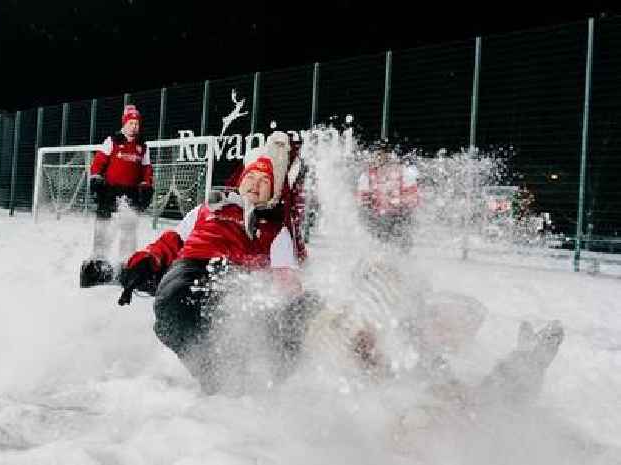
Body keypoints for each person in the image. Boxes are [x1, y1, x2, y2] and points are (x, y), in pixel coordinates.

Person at [118, 131, 317, 393]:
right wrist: (147, 259)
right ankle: (216, 377)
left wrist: (297, 312)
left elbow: (285, 282)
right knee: (173, 305)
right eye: (252, 177)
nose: (255, 184)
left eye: (264, 180)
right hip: (190, 268)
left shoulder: (274, 230)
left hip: (234, 279)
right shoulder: (207, 210)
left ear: (274, 190)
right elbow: (173, 240)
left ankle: (239, 381)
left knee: (240, 321)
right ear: (241, 179)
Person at [80, 104, 154, 288]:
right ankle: (98, 264)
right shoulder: (112, 141)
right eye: (131, 122)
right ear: (125, 123)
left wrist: (146, 185)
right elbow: (98, 163)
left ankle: (125, 264)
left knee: (128, 229)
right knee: (103, 227)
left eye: (137, 123)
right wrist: (96, 178)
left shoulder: (142, 146)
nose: (134, 126)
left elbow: (147, 170)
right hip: (110, 191)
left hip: (130, 193)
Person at [356, 145, 419, 251]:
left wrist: (400, 208)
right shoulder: (367, 176)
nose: (379, 158)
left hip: (399, 219)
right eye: (377, 154)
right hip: (377, 220)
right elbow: (362, 201)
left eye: (383, 154)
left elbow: (412, 200)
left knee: (399, 247)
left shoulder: (404, 172)